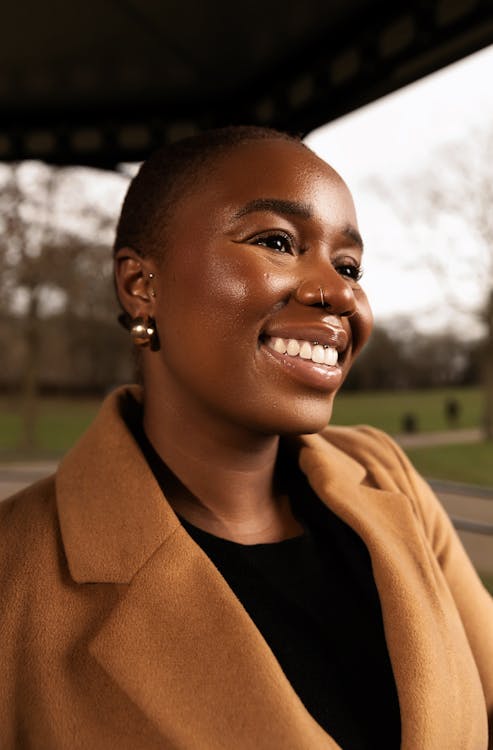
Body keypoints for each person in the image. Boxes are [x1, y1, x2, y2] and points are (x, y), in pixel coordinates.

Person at [1, 126, 492, 750]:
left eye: (349, 266)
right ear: (140, 286)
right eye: (277, 242)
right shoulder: (13, 578)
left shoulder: (386, 476)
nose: (340, 291)